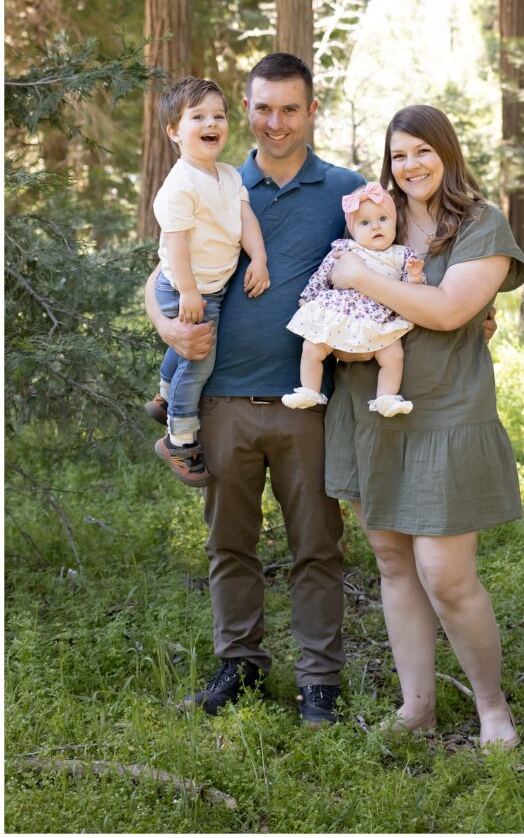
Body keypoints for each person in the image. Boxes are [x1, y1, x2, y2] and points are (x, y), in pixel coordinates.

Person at [145, 53, 365, 724]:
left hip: (306, 403)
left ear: (311, 111)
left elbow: (399, 251)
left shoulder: (345, 189)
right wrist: (167, 326)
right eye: (263, 108)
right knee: (230, 545)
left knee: (316, 547)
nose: (275, 122)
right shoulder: (209, 177)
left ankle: (320, 682)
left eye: (290, 109)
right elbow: (160, 273)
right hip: (223, 402)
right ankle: (239, 667)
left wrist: (473, 306)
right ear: (245, 110)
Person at [325, 104, 524, 750]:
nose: (409, 165)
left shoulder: (480, 224)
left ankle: (492, 707)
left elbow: (447, 311)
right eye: (399, 154)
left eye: (422, 151)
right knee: (391, 560)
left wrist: (360, 276)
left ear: (447, 152)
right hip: (369, 407)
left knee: (445, 572)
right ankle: (419, 708)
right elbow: (329, 295)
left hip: (446, 410)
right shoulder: (371, 219)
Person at [147, 76, 269, 486]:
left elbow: (244, 218)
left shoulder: (229, 176)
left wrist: (260, 258)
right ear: (174, 132)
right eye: (197, 116)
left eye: (218, 115)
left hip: (208, 288)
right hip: (184, 288)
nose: (210, 123)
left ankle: (166, 397)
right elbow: (176, 245)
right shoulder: (179, 185)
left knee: (187, 358)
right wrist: (188, 292)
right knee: (198, 363)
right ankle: (178, 441)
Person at [282, 181, 425, 417]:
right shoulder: (346, 249)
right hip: (340, 315)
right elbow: (322, 274)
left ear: (394, 221)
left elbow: (413, 293)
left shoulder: (401, 255)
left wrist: (415, 274)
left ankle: (386, 397)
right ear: (353, 229)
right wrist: (308, 298)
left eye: (382, 219)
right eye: (365, 223)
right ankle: (309, 389)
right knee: (312, 347)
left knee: (393, 355)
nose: (375, 227)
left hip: (378, 318)